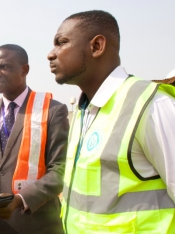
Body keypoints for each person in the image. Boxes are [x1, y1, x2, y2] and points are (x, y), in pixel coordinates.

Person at [47, 10, 175, 233]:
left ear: (97, 46)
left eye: (62, 42)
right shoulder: (82, 110)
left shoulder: (151, 105)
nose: (51, 54)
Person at [0, 44, 69, 234]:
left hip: (36, 223)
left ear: (25, 70)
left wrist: (19, 200)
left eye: (4, 67)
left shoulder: (52, 111)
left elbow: (60, 170)